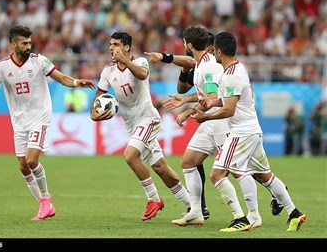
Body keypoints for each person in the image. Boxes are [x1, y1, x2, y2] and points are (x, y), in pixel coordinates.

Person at [192, 31, 307, 232]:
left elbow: (229, 109)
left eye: (214, 50)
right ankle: (294, 212)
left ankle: (250, 217)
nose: (213, 53)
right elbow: (227, 100)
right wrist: (211, 102)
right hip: (252, 130)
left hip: (242, 132)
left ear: (219, 51)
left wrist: (206, 116)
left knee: (219, 174)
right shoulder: (236, 70)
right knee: (265, 175)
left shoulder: (231, 75)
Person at [0, 25, 95, 221]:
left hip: (40, 116)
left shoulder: (39, 60)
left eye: (30, 42)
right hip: (18, 121)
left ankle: (45, 199)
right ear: (13, 44)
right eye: (24, 43)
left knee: (32, 160)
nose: (29, 46)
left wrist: (77, 82)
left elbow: (60, 78)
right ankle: (46, 207)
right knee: (23, 166)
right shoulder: (1, 66)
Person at [90, 31, 191, 221]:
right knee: (161, 168)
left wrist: (125, 61)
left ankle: (154, 199)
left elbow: (143, 74)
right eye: (110, 44)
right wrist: (93, 113)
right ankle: (192, 205)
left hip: (148, 119)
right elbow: (98, 96)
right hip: (132, 126)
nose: (111, 48)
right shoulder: (108, 71)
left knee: (129, 156)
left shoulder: (139, 63)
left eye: (116, 44)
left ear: (126, 47)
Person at [144, 30, 216, 221]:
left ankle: (247, 212)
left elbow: (212, 97)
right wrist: (184, 93)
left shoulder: (208, 63)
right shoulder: (198, 64)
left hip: (221, 119)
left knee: (232, 170)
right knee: (192, 161)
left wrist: (163, 57)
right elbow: (183, 87)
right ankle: (199, 208)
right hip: (210, 118)